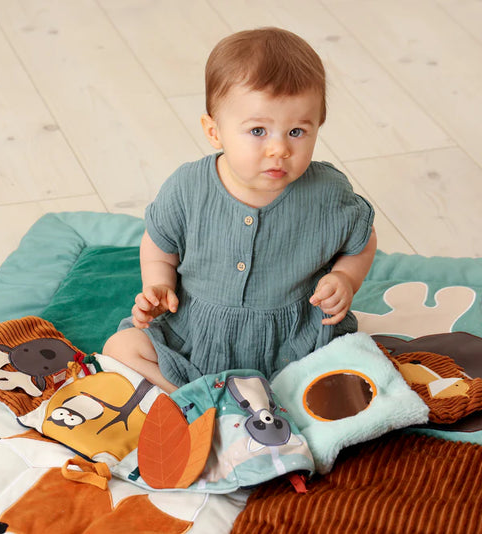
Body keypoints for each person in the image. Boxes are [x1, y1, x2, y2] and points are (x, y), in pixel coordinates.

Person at [103, 27, 377, 393]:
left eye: (297, 132)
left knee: (356, 368)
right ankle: (196, 399)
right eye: (258, 131)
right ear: (214, 131)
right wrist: (158, 284)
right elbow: (159, 243)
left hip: (293, 342)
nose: (279, 149)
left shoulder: (328, 192)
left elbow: (362, 241)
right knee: (120, 349)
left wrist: (345, 278)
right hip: (195, 334)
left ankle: (259, 402)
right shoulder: (188, 187)